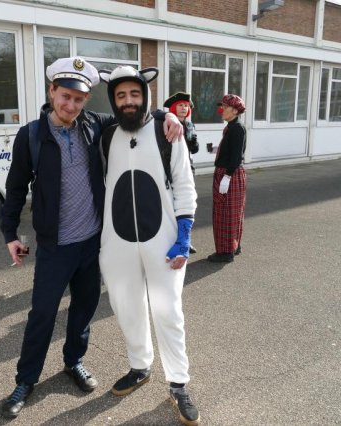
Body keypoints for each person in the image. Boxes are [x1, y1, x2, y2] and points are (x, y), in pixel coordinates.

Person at [0, 57, 183, 419]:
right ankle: (26, 380)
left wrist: (168, 115)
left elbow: (135, 112)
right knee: (42, 314)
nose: (71, 105)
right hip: (54, 246)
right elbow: (16, 187)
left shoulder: (95, 125)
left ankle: (74, 362)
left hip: (92, 243)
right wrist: (10, 233)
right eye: (65, 96)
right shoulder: (31, 136)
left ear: (86, 101)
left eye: (79, 99)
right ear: (52, 92)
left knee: (83, 309)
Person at [97, 65, 200, 426]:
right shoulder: (106, 135)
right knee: (126, 307)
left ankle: (178, 384)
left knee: (168, 311)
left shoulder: (166, 131)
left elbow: (185, 185)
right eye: (121, 95)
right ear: (113, 100)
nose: (128, 101)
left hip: (164, 240)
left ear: (146, 95)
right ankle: (140, 366)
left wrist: (184, 236)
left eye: (135, 94)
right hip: (117, 241)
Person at [207, 94, 247, 263]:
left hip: (229, 174)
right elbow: (230, 150)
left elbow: (236, 156)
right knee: (233, 212)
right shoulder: (233, 126)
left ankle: (225, 253)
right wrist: (215, 149)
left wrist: (227, 177)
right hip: (229, 173)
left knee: (225, 214)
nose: (221, 109)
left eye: (224, 106)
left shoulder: (237, 128)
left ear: (235, 110)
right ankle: (234, 246)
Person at [164, 92, 199, 254]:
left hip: (188, 170)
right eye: (181, 105)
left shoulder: (190, 125)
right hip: (172, 171)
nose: (184, 108)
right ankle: (171, 239)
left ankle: (185, 239)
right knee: (172, 207)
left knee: (187, 206)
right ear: (173, 107)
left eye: (186, 106)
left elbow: (195, 149)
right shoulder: (167, 123)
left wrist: (193, 139)